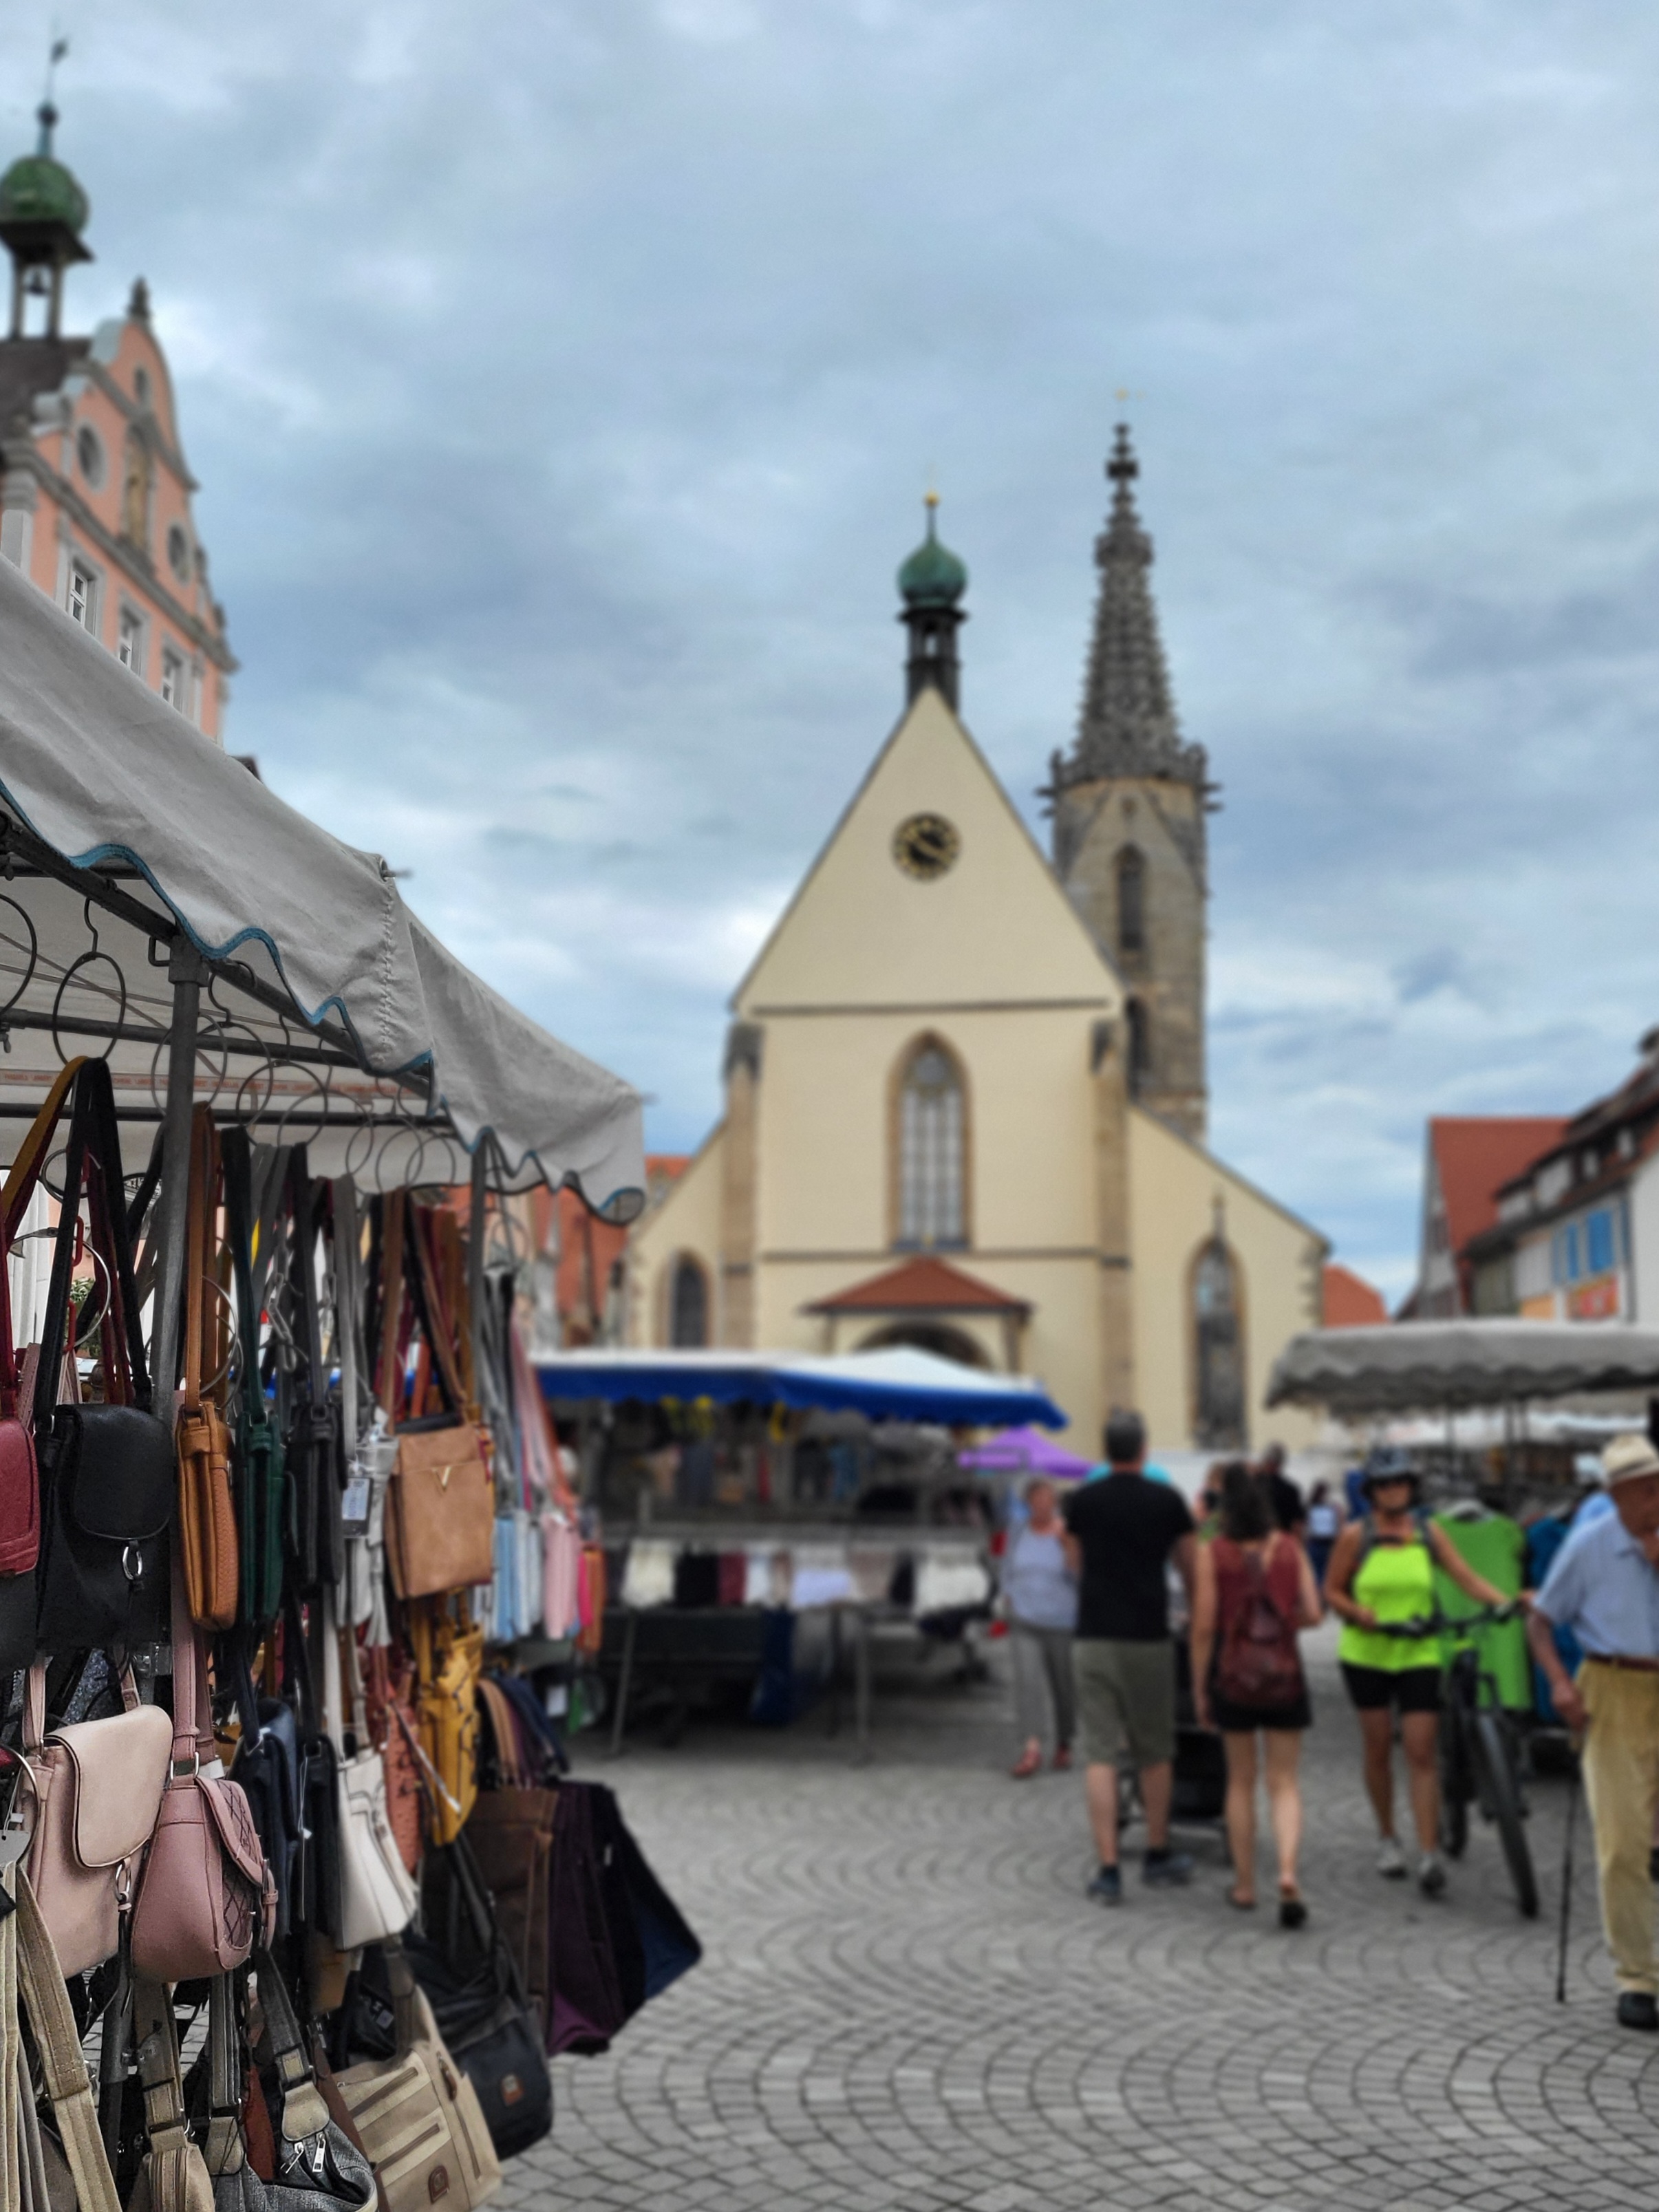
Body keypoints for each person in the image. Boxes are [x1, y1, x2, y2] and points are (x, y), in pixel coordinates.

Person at [1323, 1458, 1516, 1896]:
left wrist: (1505, 1603)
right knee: (1377, 1749)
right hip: (1366, 1653)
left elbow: (1466, 1578)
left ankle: (1429, 1853)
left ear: (1412, 1488)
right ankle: (1388, 1838)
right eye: (1385, 1485)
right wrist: (1356, 1612)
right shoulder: (1357, 1536)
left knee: (1421, 1752)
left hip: (1419, 1651)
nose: (1394, 1491)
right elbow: (1331, 1590)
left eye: (1401, 1484)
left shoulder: (1430, 1533)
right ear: (1371, 1492)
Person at [1527, 1432, 1659, 2031]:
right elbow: (1540, 1621)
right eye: (1643, 1491)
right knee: (1622, 1840)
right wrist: (1559, 1683)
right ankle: (1638, 1976)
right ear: (1616, 1496)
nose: (1654, 1499)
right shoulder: (1588, 1545)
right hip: (1610, 1685)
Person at [1062, 1408, 1197, 1904]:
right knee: (1154, 1750)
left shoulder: (1082, 1501)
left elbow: (1073, 1562)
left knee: (1099, 1752)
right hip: (1147, 1634)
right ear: (1143, 1449)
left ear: (1105, 1449)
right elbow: (1189, 1567)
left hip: (1094, 1632)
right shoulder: (1167, 1500)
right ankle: (1157, 1852)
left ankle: (1109, 1867)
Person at [1190, 1462, 1323, 1925]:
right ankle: (1287, 1871)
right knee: (1283, 1782)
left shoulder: (1214, 1552)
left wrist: (1198, 1687)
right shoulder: (1289, 1546)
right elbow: (1315, 1612)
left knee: (1240, 1780)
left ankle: (1245, 1885)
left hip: (1233, 1680)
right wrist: (1282, 1621)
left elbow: (1204, 1624)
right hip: (1284, 1677)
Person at [1001, 1478, 1078, 1779]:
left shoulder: (1068, 1532)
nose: (1042, 1505)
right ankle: (1032, 1748)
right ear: (1028, 1503)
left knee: (1064, 1686)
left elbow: (1080, 1577)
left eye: (1048, 1499)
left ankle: (1064, 1741)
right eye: (1036, 1499)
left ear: (1056, 1503)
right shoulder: (1018, 1531)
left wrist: (1068, 1546)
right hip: (1024, 1620)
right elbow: (1007, 1566)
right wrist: (1008, 1594)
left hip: (1062, 1621)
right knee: (1028, 1683)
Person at [1256, 1442, 1307, 1541]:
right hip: (1282, 1544)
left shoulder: (1250, 1487)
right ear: (1281, 1463)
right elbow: (1298, 1526)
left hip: (1254, 1544)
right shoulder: (1291, 1490)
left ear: (1264, 1460)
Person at [1305, 1481, 1342, 1589]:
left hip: (1314, 1543)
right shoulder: (1332, 1508)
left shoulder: (1310, 1507)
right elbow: (1339, 1525)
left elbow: (1306, 1527)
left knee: (1314, 1574)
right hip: (1328, 1544)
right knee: (1326, 1574)